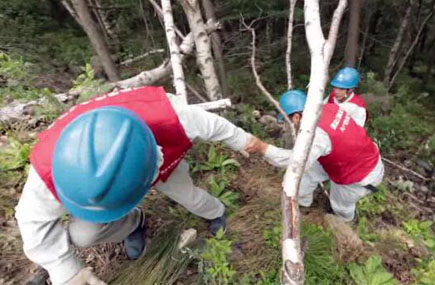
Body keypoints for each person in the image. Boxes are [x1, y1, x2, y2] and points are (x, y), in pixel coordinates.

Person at [15, 86, 266, 285]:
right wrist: (68, 273)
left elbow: (219, 127)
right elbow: (31, 221)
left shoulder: (174, 117)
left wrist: (250, 143)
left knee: (188, 195)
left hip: (159, 150)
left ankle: (216, 212)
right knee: (83, 235)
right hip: (128, 168)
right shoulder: (50, 170)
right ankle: (134, 223)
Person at [248, 90, 384, 223]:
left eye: (286, 120)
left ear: (296, 117)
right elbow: (358, 111)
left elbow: (295, 162)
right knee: (308, 173)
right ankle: (302, 204)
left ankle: (344, 226)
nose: (285, 124)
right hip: (359, 158)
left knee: (340, 206)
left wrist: (262, 148)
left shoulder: (316, 135)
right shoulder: (329, 107)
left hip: (361, 177)